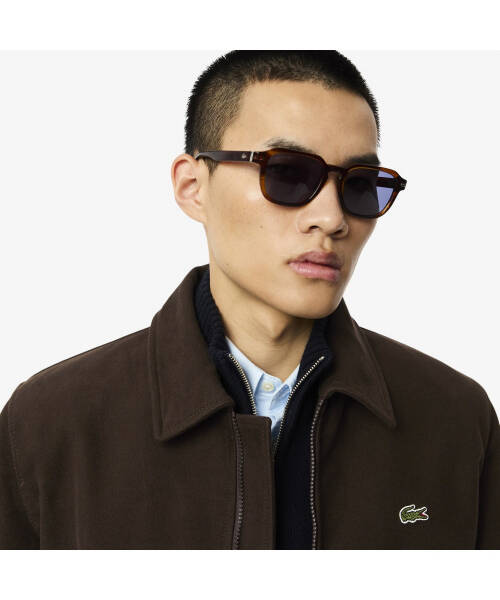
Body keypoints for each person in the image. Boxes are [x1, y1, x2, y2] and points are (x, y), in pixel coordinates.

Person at [1, 50, 498, 550]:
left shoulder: (455, 421)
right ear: (193, 187)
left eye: (360, 185)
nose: (331, 218)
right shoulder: (50, 424)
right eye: (287, 174)